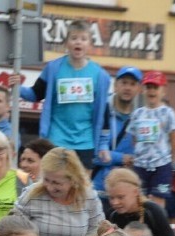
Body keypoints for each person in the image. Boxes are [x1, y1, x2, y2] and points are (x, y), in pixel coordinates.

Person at [18, 20, 111, 171]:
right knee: (55, 185)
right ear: (66, 42)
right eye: (74, 38)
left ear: (90, 44)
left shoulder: (100, 76)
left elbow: (104, 113)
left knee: (81, 191)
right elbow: (35, 94)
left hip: (85, 141)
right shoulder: (54, 68)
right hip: (57, 139)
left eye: (83, 39)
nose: (78, 42)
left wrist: (103, 144)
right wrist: (17, 87)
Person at [92, 66, 142, 217]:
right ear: (115, 85)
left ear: (139, 88)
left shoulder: (141, 119)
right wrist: (122, 158)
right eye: (124, 83)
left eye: (132, 84)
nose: (128, 88)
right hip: (97, 191)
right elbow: (92, 154)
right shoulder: (101, 112)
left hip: (125, 198)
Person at [129, 71, 175, 207]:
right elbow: (133, 137)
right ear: (143, 90)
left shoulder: (168, 112)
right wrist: (138, 155)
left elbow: (174, 137)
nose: (151, 91)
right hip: (140, 165)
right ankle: (139, 228)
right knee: (138, 201)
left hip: (161, 164)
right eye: (148, 87)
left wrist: (173, 160)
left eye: (155, 88)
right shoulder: (137, 113)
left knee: (158, 202)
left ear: (163, 91)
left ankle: (156, 227)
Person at [105, 168, 175, 236]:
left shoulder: (152, 212)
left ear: (135, 192)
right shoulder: (112, 215)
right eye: (111, 198)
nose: (115, 202)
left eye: (120, 197)